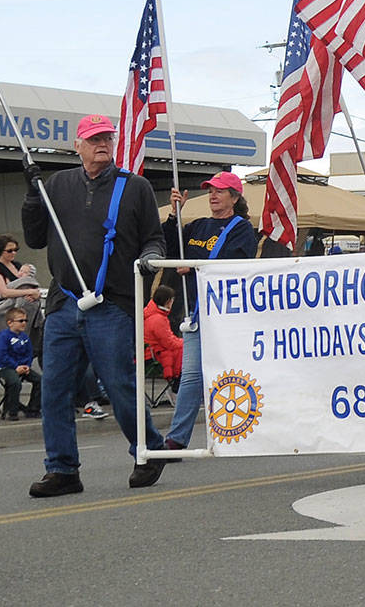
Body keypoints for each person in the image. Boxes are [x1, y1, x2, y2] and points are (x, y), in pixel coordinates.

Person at [21, 113, 168, 496]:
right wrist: (32, 195)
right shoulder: (57, 184)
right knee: (54, 388)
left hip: (112, 304)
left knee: (119, 384)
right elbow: (35, 238)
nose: (102, 144)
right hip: (64, 302)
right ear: (78, 145)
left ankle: (147, 451)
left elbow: (154, 239)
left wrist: (148, 259)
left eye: (107, 138)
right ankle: (62, 469)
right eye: (93, 138)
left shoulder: (134, 187)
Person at [164, 171, 261, 452]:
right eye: (210, 191)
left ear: (234, 197)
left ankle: (250, 431)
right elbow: (171, 248)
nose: (213, 196)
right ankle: (176, 439)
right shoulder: (198, 225)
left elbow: (236, 264)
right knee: (192, 376)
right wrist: (174, 215)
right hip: (197, 314)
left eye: (219, 191)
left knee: (237, 373)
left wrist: (195, 265)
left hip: (227, 317)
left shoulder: (241, 228)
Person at [0, 233, 46, 344]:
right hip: (5, 312)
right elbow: (4, 292)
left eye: (15, 250)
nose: (13, 253)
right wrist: (28, 292)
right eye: (9, 251)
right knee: (6, 349)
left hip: (24, 311)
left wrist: (35, 294)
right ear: (0, 251)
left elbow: (30, 283)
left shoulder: (18, 266)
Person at [0, 307, 41, 421]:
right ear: (10, 323)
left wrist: (27, 366)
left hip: (22, 367)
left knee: (40, 381)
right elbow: (2, 355)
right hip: (5, 367)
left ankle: (33, 409)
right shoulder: (4, 336)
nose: (24, 323)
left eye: (25, 321)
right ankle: (12, 411)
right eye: (21, 321)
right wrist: (16, 366)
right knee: (15, 382)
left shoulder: (25, 337)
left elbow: (29, 354)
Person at [142, 288, 182, 386]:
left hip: (148, 351)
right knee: (184, 349)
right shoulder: (159, 319)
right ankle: (177, 381)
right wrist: (185, 342)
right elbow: (169, 343)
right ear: (168, 302)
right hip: (153, 354)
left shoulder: (149, 313)